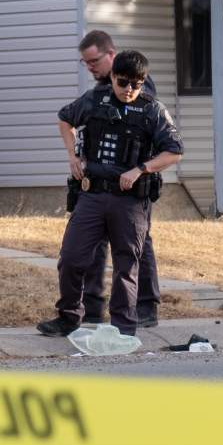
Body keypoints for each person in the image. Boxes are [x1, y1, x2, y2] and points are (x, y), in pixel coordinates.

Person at [39, 50, 183, 338]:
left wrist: (141, 169)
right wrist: (73, 156)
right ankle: (68, 317)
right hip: (91, 195)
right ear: (113, 77)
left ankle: (123, 327)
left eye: (136, 84)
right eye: (123, 82)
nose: (129, 89)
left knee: (126, 265)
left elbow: (174, 152)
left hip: (130, 200)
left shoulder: (152, 109)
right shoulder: (95, 99)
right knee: (71, 258)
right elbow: (64, 120)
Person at [74, 30, 161, 327]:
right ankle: (93, 307)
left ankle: (146, 308)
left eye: (94, 61)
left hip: (133, 185)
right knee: (95, 243)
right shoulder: (102, 89)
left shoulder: (135, 82)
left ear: (111, 55)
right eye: (85, 63)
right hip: (102, 183)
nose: (91, 67)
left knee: (138, 246)